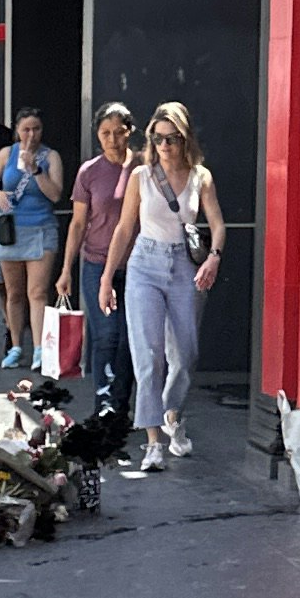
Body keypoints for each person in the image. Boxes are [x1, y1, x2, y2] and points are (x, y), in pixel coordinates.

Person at [102, 98, 226, 472]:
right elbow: (125, 228)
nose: (165, 146)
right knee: (148, 356)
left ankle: (173, 413)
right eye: (158, 139)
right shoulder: (141, 177)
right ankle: (153, 441)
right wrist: (108, 277)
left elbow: (217, 223)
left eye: (172, 139)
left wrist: (214, 256)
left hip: (185, 265)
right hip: (144, 263)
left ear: (185, 139)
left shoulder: (200, 176)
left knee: (185, 355)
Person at [58, 101, 134, 409]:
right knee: (107, 335)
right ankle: (105, 403)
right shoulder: (89, 172)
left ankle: (120, 403)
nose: (112, 139)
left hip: (136, 266)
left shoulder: (143, 168)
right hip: (96, 264)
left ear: (130, 132)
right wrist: (66, 270)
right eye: (105, 133)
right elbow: (78, 223)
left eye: (119, 132)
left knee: (130, 341)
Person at [0, 101, 66, 370]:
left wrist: (35, 170)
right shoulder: (7, 154)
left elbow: (55, 194)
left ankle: (41, 349)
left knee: (38, 291)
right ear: (17, 131)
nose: (31, 135)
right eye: (26, 129)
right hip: (11, 230)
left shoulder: (50, 157)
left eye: (36, 129)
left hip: (41, 228)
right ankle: (17, 345)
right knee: (14, 292)